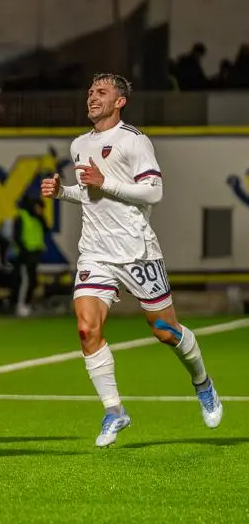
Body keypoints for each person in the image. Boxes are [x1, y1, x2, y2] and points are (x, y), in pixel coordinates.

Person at [40, 73, 222, 446]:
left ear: (120, 101)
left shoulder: (134, 141)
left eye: (101, 92)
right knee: (86, 329)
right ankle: (114, 411)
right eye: (90, 91)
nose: (92, 96)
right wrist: (62, 192)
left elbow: (153, 193)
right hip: (96, 253)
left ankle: (202, 383)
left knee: (165, 331)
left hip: (137, 251)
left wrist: (104, 182)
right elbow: (90, 195)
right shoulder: (79, 145)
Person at [12, 194, 46, 317]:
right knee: (24, 281)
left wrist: (41, 216)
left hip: (35, 254)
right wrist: (24, 251)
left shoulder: (38, 218)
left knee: (32, 281)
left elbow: (46, 229)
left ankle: (26, 304)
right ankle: (20, 305)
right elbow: (17, 236)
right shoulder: (22, 216)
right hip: (24, 255)